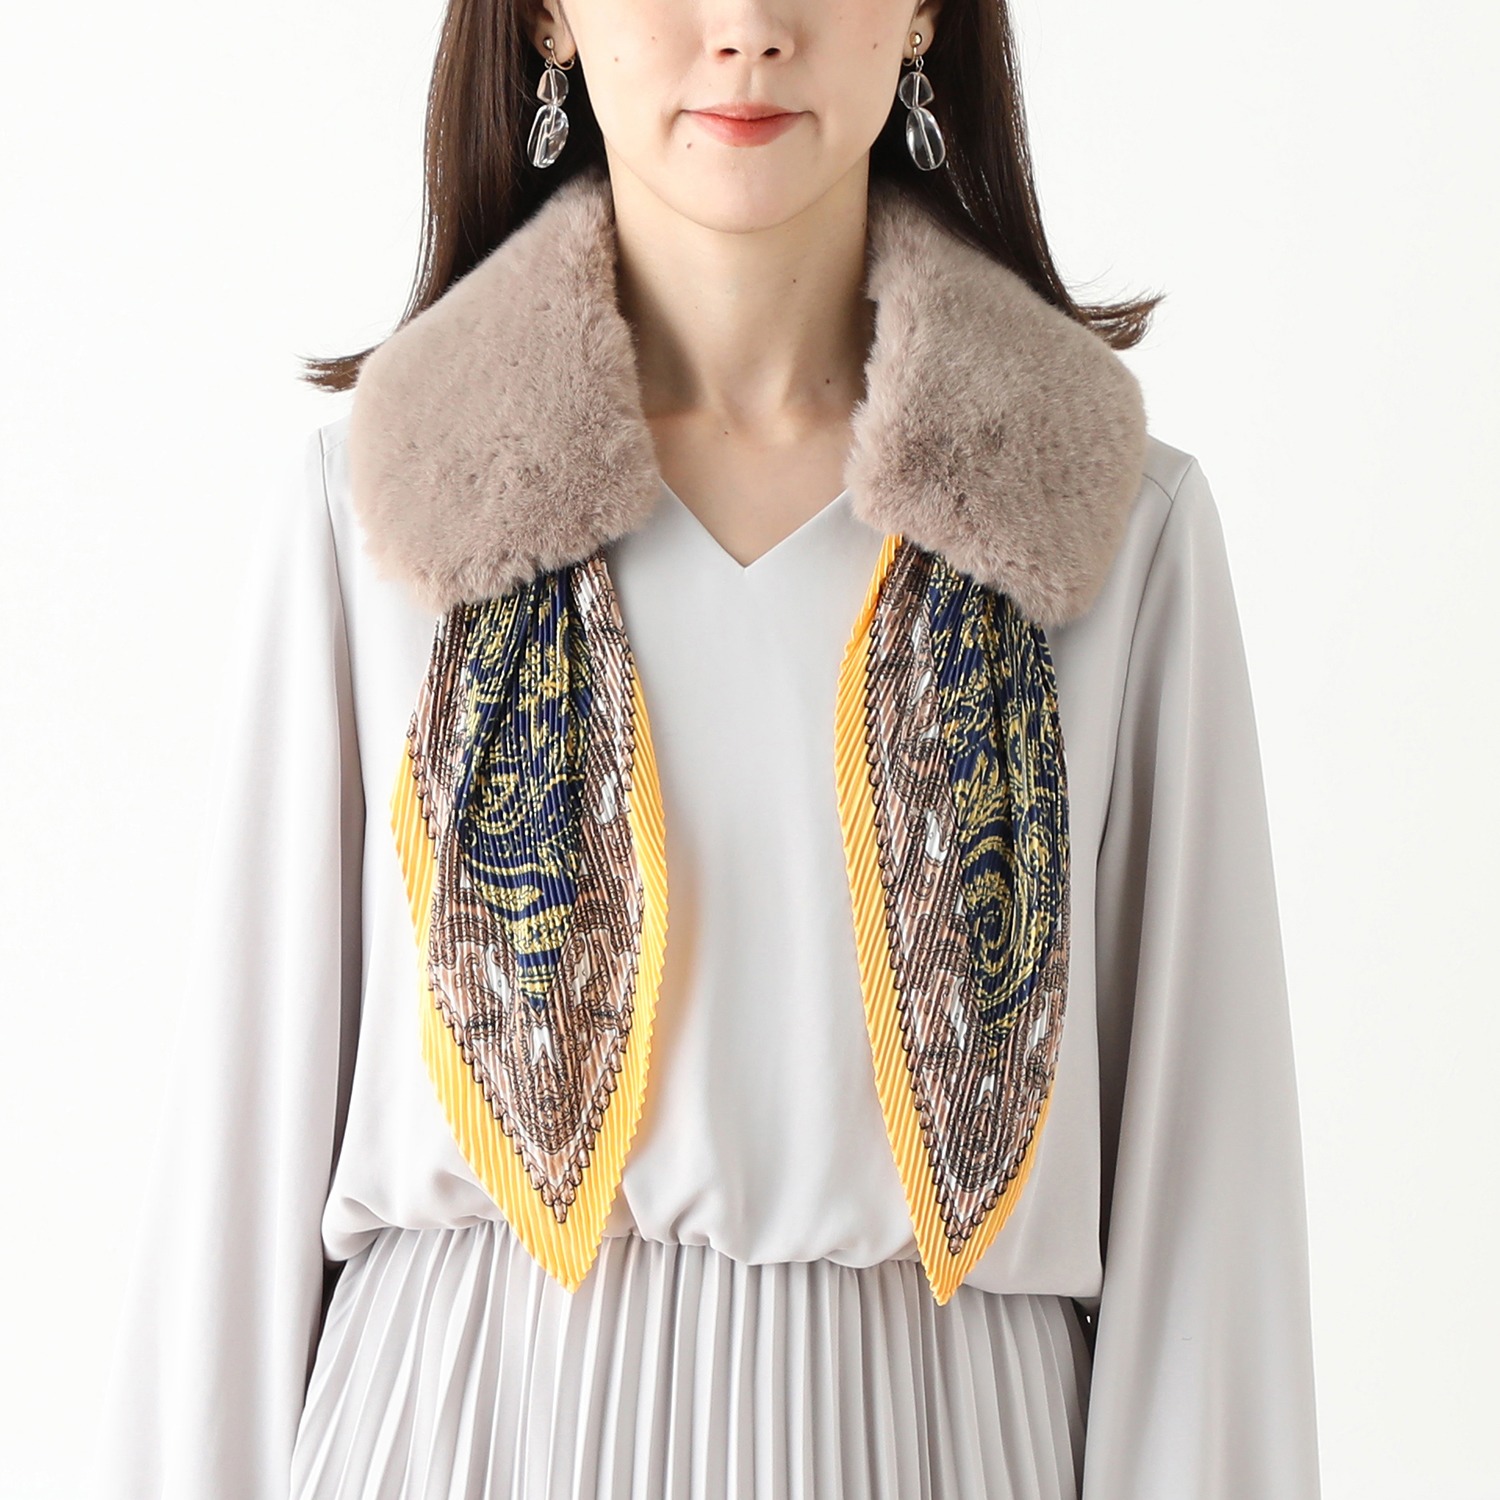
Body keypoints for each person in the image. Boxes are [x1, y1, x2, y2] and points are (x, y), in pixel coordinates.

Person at [89, 1, 1322, 1496]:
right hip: (468, 1439)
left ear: (925, 12)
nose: (746, 28)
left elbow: (1206, 1212)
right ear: (549, 15)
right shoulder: (378, 511)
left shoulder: (1110, 533)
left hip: (932, 1447)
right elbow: (241, 1163)